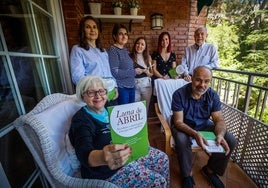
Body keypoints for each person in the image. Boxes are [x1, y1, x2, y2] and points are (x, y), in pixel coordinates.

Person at [69, 75, 170, 187]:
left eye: (101, 91)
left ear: (106, 94)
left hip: (128, 153)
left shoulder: (110, 108)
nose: (98, 96)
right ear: (83, 96)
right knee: (158, 182)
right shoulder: (81, 120)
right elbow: (83, 152)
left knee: (162, 159)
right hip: (106, 170)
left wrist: (140, 139)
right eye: (91, 92)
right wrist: (103, 157)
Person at [171, 66, 236, 188]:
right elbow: (178, 122)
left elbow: (218, 119)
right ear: (191, 78)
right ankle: (187, 175)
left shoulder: (212, 95)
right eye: (198, 80)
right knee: (181, 139)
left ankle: (210, 169)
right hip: (184, 125)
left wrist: (220, 135)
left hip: (204, 125)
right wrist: (195, 133)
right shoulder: (179, 94)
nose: (202, 85)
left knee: (230, 139)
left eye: (206, 81)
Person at [69, 16, 118, 106]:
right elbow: (78, 77)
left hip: (110, 93)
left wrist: (115, 86)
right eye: (88, 27)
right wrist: (95, 91)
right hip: (96, 96)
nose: (92, 30)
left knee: (112, 118)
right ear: (83, 31)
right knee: (99, 119)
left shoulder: (103, 51)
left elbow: (109, 72)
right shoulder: (78, 49)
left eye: (94, 27)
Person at [108, 24, 136, 105]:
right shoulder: (113, 50)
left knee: (131, 113)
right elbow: (115, 72)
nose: (124, 36)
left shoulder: (125, 50)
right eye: (120, 34)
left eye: (125, 34)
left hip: (131, 86)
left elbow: (128, 66)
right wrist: (134, 72)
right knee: (124, 114)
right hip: (122, 88)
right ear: (114, 36)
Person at [130, 37, 153, 112]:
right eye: (138, 43)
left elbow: (151, 74)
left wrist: (147, 72)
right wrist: (134, 71)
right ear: (135, 44)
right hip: (134, 86)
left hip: (146, 86)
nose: (139, 46)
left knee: (144, 109)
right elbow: (127, 71)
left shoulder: (148, 57)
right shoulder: (130, 56)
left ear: (145, 47)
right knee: (135, 110)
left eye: (142, 44)